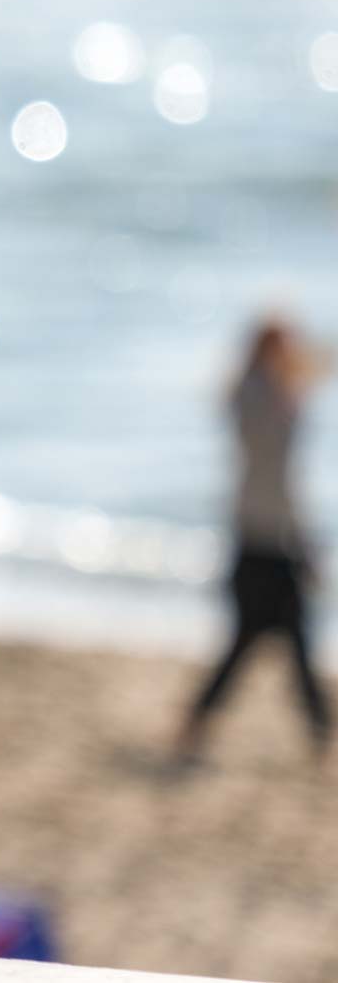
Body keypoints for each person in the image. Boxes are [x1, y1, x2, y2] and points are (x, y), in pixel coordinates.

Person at [178, 318, 331, 760]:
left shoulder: (257, 395)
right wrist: (306, 545)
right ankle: (319, 735)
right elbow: (281, 484)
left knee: (280, 641)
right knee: (263, 642)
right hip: (267, 540)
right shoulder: (262, 400)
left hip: (262, 537)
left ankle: (318, 733)